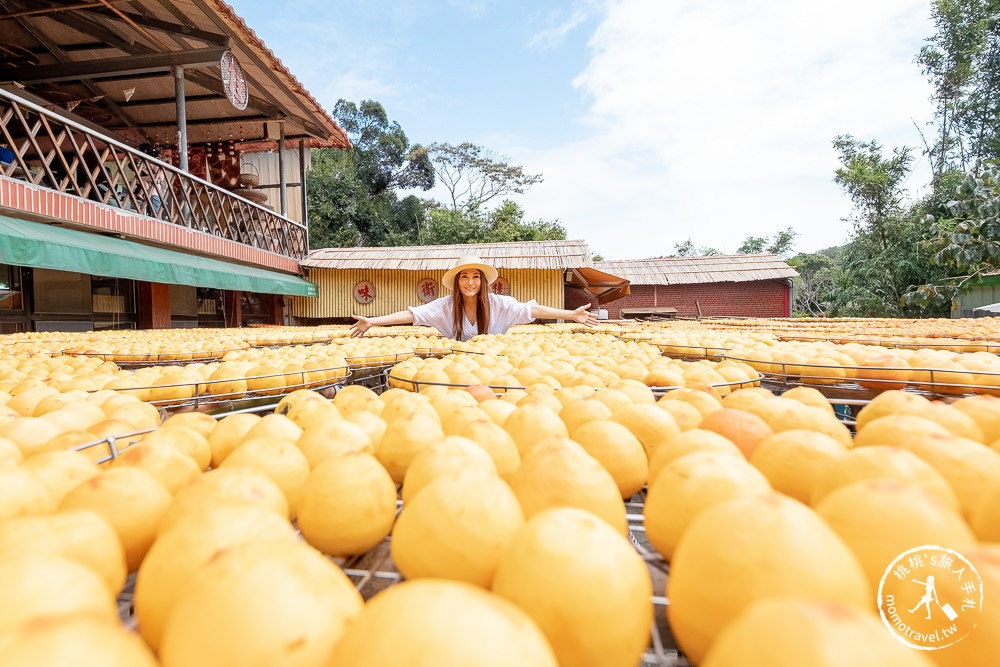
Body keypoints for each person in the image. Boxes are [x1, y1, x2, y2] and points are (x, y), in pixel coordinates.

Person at [350, 255, 599, 340]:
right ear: (457, 282)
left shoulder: (498, 304)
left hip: (493, 368)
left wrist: (571, 314)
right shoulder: (445, 306)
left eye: (475, 277)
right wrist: (373, 320)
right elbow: (412, 314)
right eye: (464, 277)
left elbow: (532, 310)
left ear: (482, 281)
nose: (470, 282)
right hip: (457, 369)